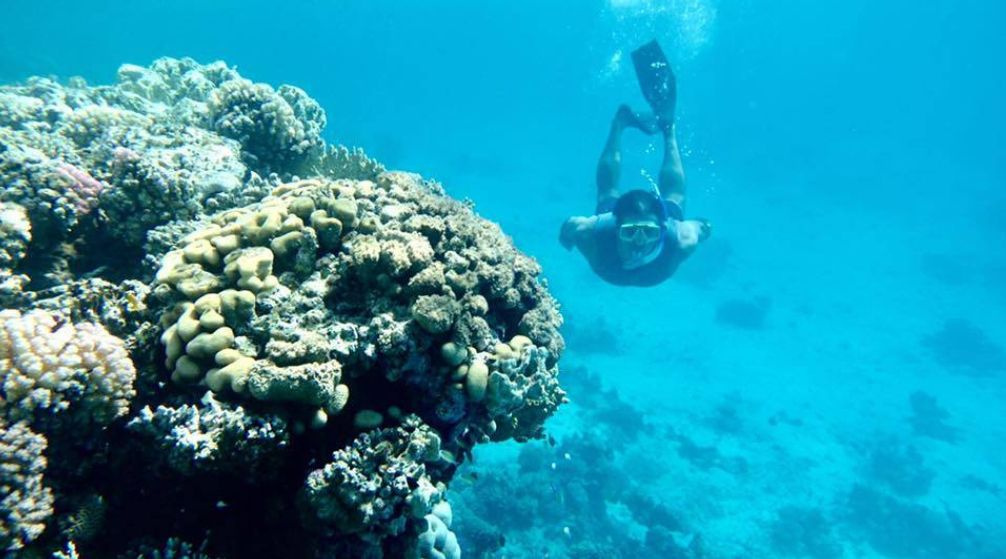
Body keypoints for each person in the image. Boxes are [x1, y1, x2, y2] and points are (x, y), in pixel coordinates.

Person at [559, 40, 711, 287]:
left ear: (661, 228)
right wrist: (565, 237)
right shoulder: (590, 233)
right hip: (621, 221)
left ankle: (666, 130)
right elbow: (570, 225)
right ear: (616, 226)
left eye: (649, 232)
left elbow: (700, 228)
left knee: (671, 198)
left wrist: (706, 227)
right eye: (630, 232)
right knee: (617, 193)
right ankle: (623, 123)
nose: (639, 243)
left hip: (663, 220)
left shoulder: (682, 238)